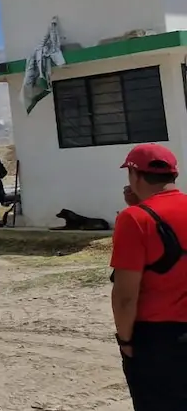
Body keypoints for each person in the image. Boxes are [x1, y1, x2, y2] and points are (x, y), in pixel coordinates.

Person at [110, 143, 187, 409]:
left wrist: (126, 341)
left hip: (158, 341)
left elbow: (125, 297)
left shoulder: (134, 219)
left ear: (135, 175)